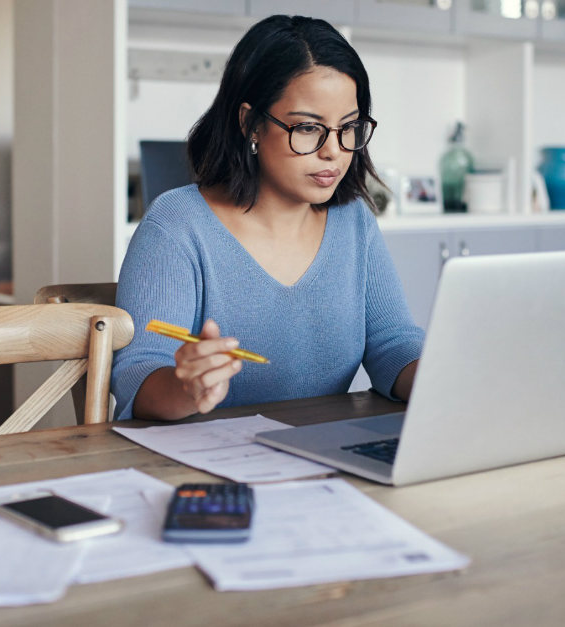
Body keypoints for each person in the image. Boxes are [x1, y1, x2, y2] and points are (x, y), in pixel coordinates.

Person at [112, 15, 423, 421]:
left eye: (349, 127)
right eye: (309, 128)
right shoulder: (177, 225)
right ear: (251, 123)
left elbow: (391, 344)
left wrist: (446, 379)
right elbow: (138, 375)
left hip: (320, 458)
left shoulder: (354, 222)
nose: (334, 151)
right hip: (202, 469)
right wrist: (186, 387)